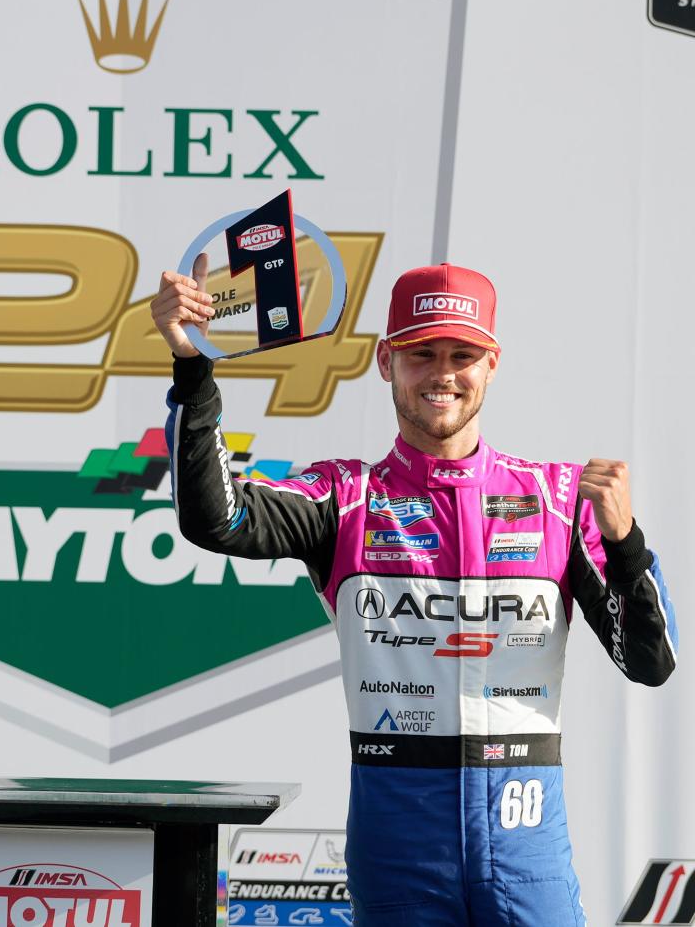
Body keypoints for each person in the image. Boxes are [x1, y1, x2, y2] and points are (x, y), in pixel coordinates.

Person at [152, 259, 678, 927]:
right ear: (385, 362)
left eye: (463, 354)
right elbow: (215, 519)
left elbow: (649, 663)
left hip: (528, 848)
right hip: (399, 851)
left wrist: (627, 545)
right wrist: (192, 366)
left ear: (492, 365)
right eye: (421, 353)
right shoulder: (345, 498)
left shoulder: (557, 500)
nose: (443, 373)